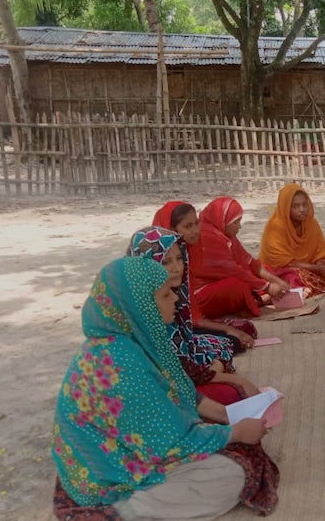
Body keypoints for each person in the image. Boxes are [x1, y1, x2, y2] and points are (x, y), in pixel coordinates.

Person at [51, 257, 279, 520]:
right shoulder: (120, 361)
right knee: (229, 475)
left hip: (119, 457)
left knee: (235, 451)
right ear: (140, 305)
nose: (176, 299)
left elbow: (182, 396)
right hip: (110, 478)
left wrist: (230, 419)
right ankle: (127, 512)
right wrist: (234, 432)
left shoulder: (129, 341)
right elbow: (169, 444)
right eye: (165, 294)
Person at [128, 226, 260, 405]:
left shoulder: (176, 292)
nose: (176, 268)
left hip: (186, 360)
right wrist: (226, 377)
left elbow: (185, 343)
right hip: (165, 390)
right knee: (229, 394)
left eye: (179, 259)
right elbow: (176, 374)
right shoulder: (144, 307)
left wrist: (215, 370)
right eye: (166, 262)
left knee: (227, 341)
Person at [153, 200, 269, 351]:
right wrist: (227, 330)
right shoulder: (158, 259)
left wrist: (226, 329)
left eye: (196, 223)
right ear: (171, 229)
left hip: (184, 324)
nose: (195, 230)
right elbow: (188, 318)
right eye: (188, 226)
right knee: (228, 343)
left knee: (243, 332)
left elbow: (190, 313)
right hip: (164, 332)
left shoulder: (188, 253)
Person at [192, 196, 302, 319]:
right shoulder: (209, 237)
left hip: (226, 279)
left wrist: (275, 280)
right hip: (202, 294)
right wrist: (267, 287)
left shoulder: (225, 234)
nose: (239, 226)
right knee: (237, 286)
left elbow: (251, 263)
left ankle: (260, 297)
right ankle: (257, 301)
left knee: (264, 270)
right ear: (222, 220)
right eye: (235, 222)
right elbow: (233, 272)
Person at [259, 184, 325, 293]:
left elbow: (320, 250)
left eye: (304, 205)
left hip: (312, 266)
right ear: (285, 208)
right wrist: (318, 269)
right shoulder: (275, 227)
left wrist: (321, 261)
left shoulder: (311, 223)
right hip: (283, 270)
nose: (302, 210)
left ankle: (323, 282)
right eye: (295, 206)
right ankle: (318, 285)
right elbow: (285, 262)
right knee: (296, 279)